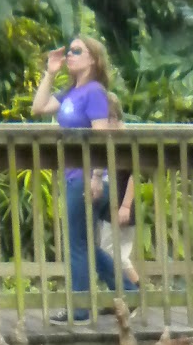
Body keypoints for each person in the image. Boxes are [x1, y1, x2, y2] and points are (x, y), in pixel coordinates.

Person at [31, 36, 135, 318]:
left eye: (78, 51)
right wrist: (50, 73)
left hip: (89, 177)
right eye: (70, 51)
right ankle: (129, 291)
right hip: (76, 176)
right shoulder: (71, 93)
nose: (71, 55)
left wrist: (96, 176)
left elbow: (102, 139)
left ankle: (79, 309)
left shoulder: (94, 93)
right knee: (86, 245)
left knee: (77, 245)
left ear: (93, 59)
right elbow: (38, 108)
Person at [91, 94, 139, 288]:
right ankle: (124, 294)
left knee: (115, 255)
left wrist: (126, 205)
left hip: (123, 204)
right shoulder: (111, 140)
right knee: (112, 252)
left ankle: (135, 291)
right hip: (112, 205)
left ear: (112, 118)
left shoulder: (125, 140)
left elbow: (134, 176)